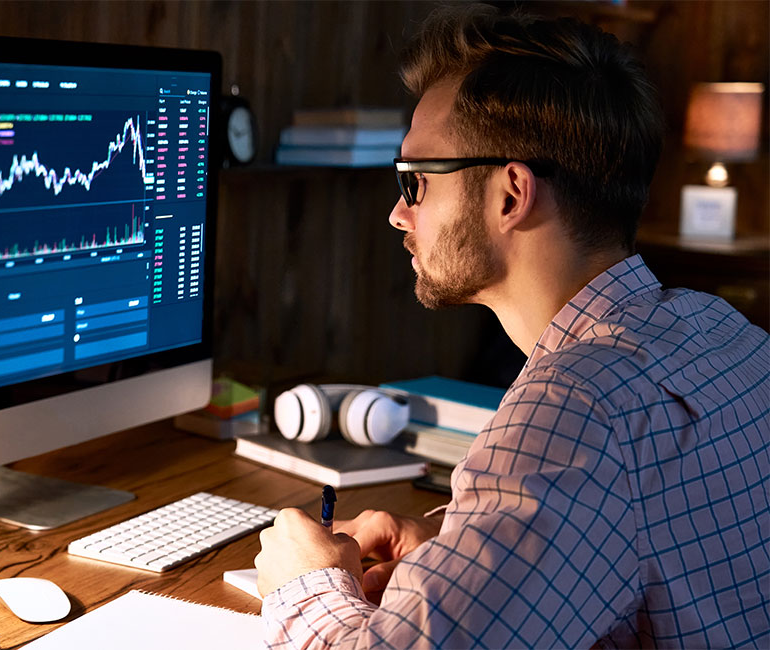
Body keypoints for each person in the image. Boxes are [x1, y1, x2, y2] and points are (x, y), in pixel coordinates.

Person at [253, 5, 770, 648]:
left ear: (510, 193)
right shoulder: (727, 333)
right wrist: (456, 550)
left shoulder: (575, 409)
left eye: (415, 182)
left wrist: (303, 582)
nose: (396, 214)